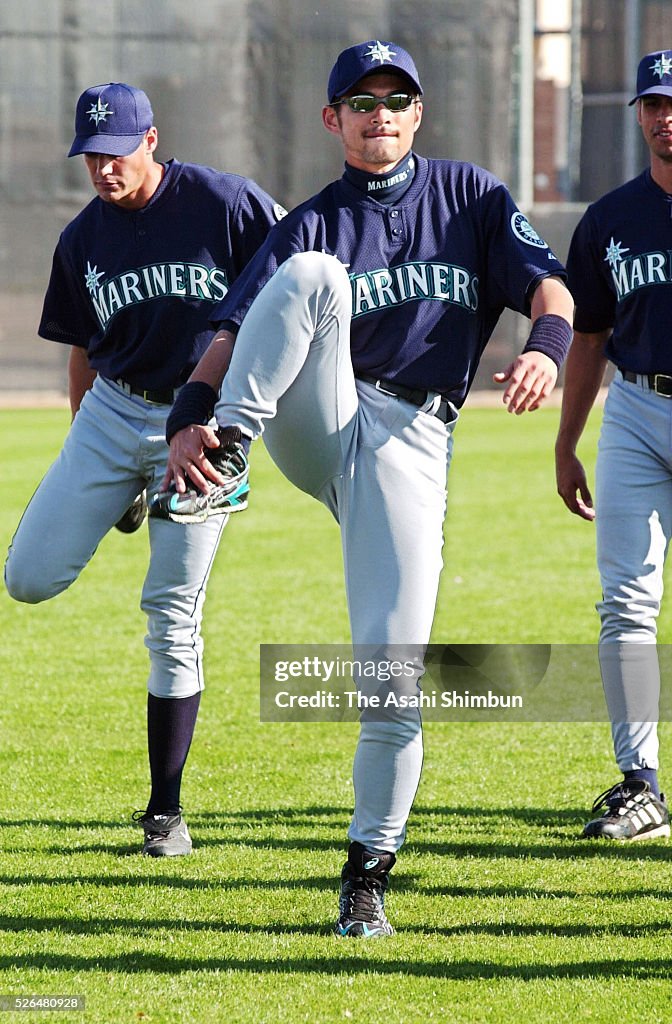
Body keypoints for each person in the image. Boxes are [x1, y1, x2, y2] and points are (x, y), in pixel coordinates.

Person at [151, 40, 574, 932]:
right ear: (332, 118)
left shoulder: (472, 196)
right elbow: (232, 329)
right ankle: (229, 458)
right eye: (361, 99)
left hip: (412, 445)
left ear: (417, 114)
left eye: (396, 99)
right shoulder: (306, 220)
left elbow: (551, 289)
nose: (379, 113)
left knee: (393, 677)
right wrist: (194, 413)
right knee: (312, 275)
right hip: (323, 410)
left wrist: (545, 350)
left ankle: (366, 876)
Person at [4, 82, 284, 855]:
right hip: (113, 412)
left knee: (171, 612)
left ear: (152, 140)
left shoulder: (226, 204)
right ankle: (129, 497)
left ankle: (166, 811)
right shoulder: (82, 238)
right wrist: (85, 448)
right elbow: (81, 350)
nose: (103, 168)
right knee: (26, 578)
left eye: (116, 151)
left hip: (202, 424)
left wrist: (245, 426)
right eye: (91, 155)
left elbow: (295, 286)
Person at [555, 50, 672, 842]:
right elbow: (589, 337)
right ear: (637, 114)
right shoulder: (610, 218)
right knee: (625, 602)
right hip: (634, 409)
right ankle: (641, 787)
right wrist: (569, 442)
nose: (667, 117)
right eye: (654, 103)